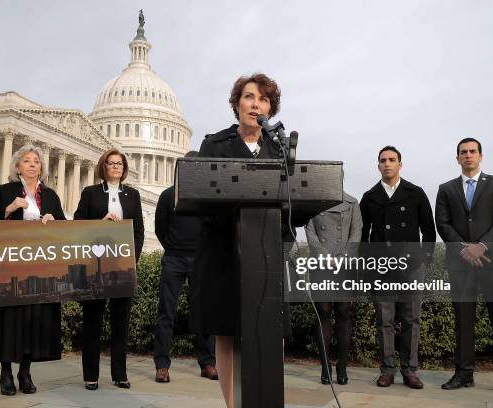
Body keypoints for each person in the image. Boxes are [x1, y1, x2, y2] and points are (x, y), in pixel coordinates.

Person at [195, 73, 289, 408]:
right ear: (237, 104)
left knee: (271, 332)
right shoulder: (214, 145)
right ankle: (233, 405)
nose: (256, 104)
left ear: (270, 108)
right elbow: (199, 199)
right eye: (249, 97)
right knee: (228, 332)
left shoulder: (279, 147)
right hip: (225, 254)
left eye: (264, 99)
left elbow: (291, 201)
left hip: (267, 257)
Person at [0, 144, 66, 396]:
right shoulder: (3, 192)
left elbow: (65, 230)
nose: (32, 164)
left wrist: (54, 222)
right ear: (17, 167)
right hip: (9, 265)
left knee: (33, 319)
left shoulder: (51, 196)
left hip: (40, 267)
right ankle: (6, 372)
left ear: (41, 168)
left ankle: (25, 371)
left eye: (36, 161)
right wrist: (10, 208)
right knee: (9, 318)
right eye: (26, 160)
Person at [435, 138, 493, 396]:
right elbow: (443, 223)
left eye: (473, 151)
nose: (468, 155)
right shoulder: (446, 189)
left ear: (480, 156)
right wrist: (465, 248)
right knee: (463, 320)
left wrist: (481, 246)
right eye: (463, 152)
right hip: (460, 265)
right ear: (457, 158)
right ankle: (463, 374)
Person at [360, 146, 435, 389]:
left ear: (400, 164)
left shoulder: (415, 193)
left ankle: (410, 370)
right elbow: (363, 236)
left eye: (392, 160)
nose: (387, 164)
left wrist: (423, 259)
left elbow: (429, 230)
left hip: (411, 267)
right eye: (383, 160)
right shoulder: (370, 197)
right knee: (385, 321)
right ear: (378, 165)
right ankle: (387, 369)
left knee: (411, 319)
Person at [73, 148, 144, 391]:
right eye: (111, 163)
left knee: (120, 322)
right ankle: (90, 375)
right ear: (103, 167)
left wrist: (132, 259)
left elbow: (138, 231)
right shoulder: (91, 193)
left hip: (121, 265)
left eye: (120, 164)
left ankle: (120, 374)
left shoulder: (132, 195)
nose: (116, 167)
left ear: (124, 168)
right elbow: (78, 223)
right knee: (92, 320)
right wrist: (100, 223)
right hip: (95, 264)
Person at [153, 150, 217, 383]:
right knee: (166, 313)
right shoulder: (168, 195)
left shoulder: (208, 197)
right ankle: (162, 365)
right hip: (174, 259)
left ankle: (208, 362)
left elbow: (213, 230)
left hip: (201, 259)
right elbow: (161, 228)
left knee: (205, 313)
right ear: (181, 169)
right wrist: (173, 247)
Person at [305, 190, 362, 385]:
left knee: (344, 310)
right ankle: (325, 365)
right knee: (323, 310)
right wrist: (324, 256)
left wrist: (343, 258)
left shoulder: (352, 202)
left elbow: (356, 232)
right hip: (321, 263)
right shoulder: (314, 202)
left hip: (345, 264)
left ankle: (343, 365)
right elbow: (310, 231)